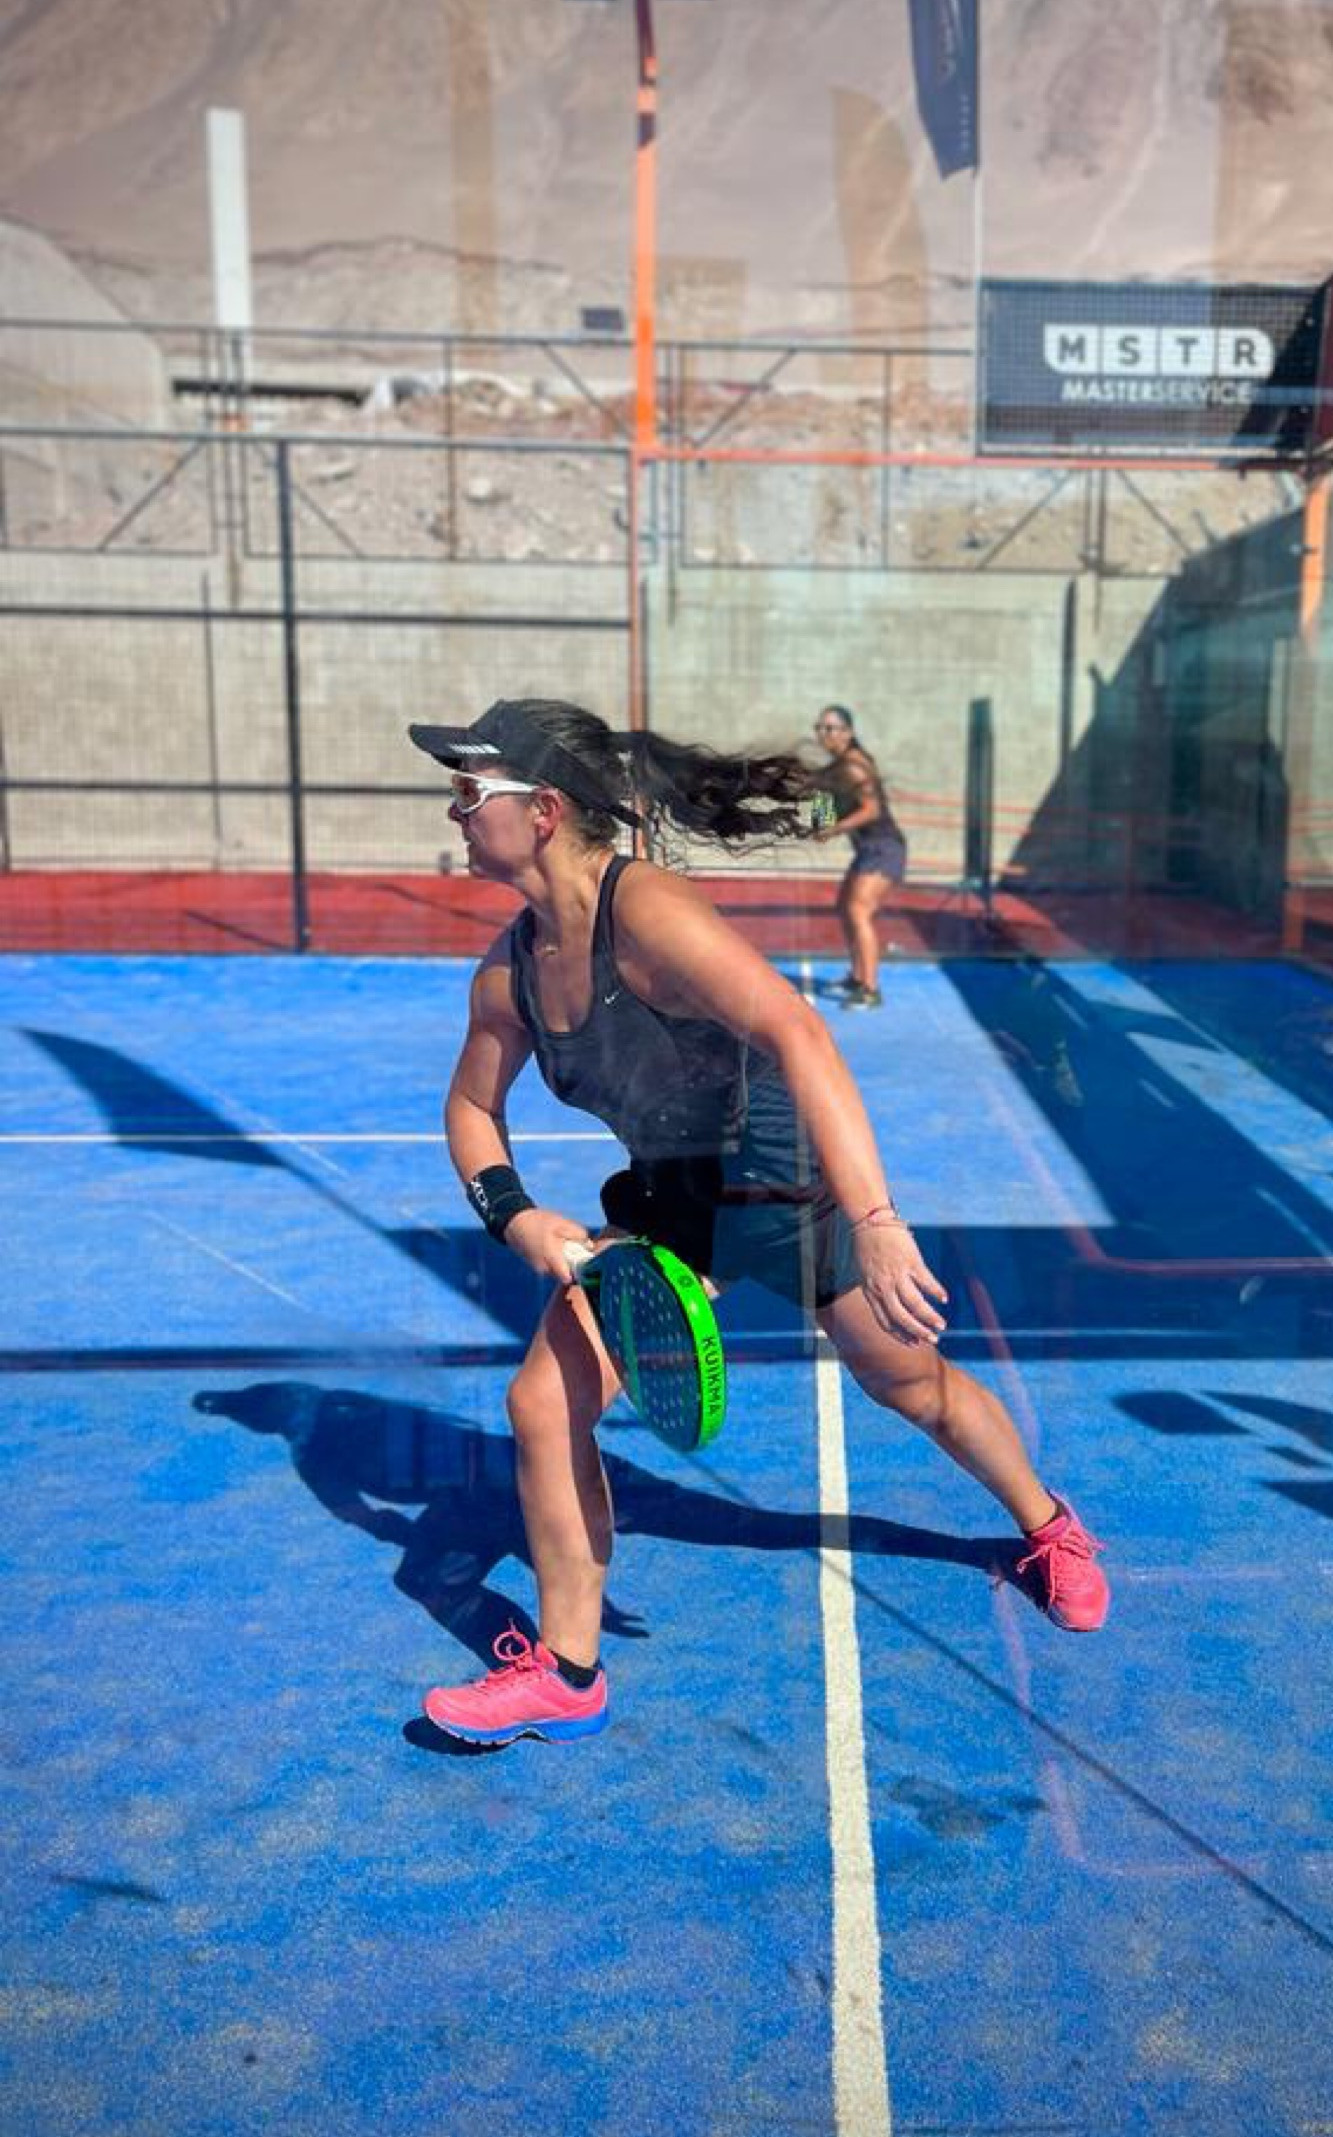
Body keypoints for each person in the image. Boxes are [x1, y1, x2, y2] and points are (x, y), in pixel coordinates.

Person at [407, 697, 1109, 1748]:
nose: (455, 812)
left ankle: (1049, 1528)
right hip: (672, 1199)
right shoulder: (510, 971)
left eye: (470, 792)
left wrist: (876, 1218)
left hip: (781, 1185)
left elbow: (797, 1031)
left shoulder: (646, 912)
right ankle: (568, 1672)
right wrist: (516, 1218)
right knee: (542, 1404)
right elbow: (472, 1108)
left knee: (909, 1384)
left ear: (542, 810)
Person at [812, 704, 907, 1008]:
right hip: (868, 849)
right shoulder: (835, 768)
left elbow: (872, 810)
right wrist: (820, 817)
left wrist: (833, 828)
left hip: (884, 848)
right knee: (845, 907)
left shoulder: (854, 765)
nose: (824, 734)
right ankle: (856, 977)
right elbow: (822, 810)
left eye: (831, 728)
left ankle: (870, 990)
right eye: (820, 728)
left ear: (848, 732)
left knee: (858, 911)